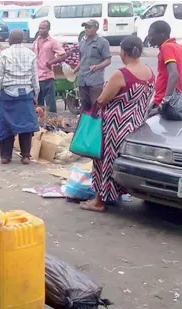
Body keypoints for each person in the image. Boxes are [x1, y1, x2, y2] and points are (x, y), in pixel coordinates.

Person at [80, 36, 155, 212]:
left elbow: (103, 99)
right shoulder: (149, 72)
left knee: (104, 161)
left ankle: (99, 201)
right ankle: (115, 194)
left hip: (116, 126)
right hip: (137, 125)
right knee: (120, 161)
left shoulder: (121, 74)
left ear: (123, 52)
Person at [0, 29, 40, 165]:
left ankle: (6, 156)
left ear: (11, 39)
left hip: (8, 95)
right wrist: (35, 95)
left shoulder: (4, 54)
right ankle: (25, 155)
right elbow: (35, 80)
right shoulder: (31, 54)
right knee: (26, 126)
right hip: (26, 94)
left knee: (6, 126)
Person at [73, 20, 112, 113]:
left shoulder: (103, 42)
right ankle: (85, 126)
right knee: (84, 106)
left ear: (96, 28)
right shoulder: (82, 42)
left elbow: (108, 60)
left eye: (89, 27)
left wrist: (97, 66)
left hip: (95, 81)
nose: (86, 29)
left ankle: (97, 126)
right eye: (85, 27)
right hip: (82, 80)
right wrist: (74, 70)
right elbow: (81, 60)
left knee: (96, 106)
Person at [33, 20, 67, 113]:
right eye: (39, 28)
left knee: (50, 103)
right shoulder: (36, 41)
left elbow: (63, 54)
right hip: (37, 77)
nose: (40, 30)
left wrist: (51, 62)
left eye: (43, 28)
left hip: (47, 76)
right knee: (38, 104)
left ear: (48, 29)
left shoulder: (52, 42)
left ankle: (52, 122)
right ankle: (40, 123)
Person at [147, 21, 182, 108]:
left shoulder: (166, 47)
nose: (149, 38)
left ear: (162, 35)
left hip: (163, 101)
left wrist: (165, 101)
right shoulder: (177, 46)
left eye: (151, 35)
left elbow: (174, 75)